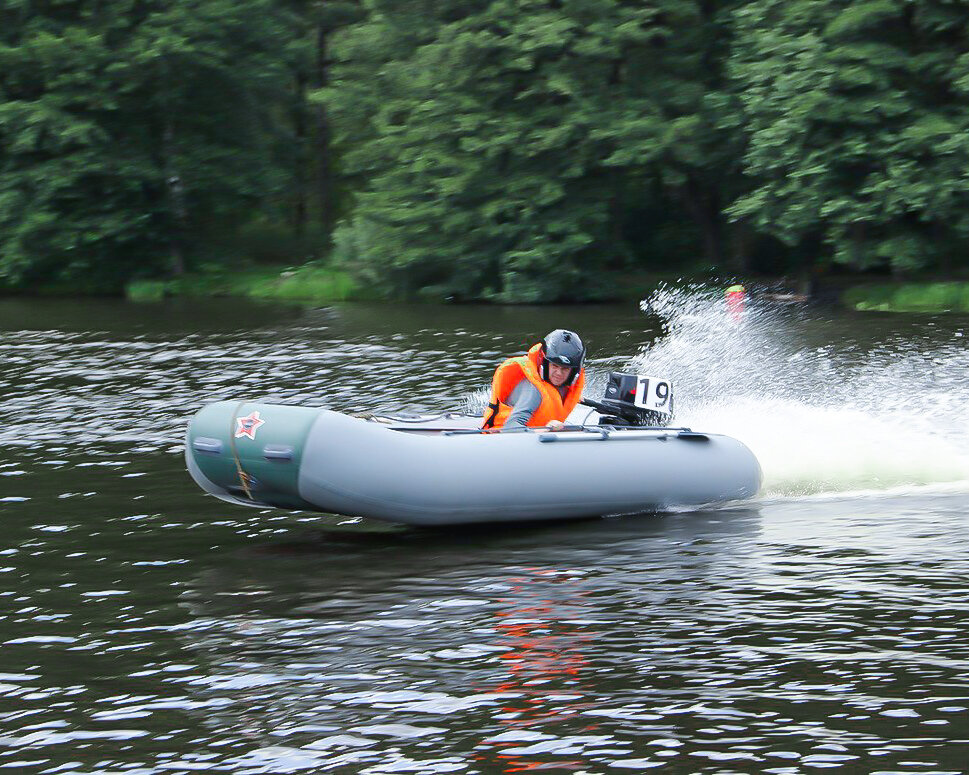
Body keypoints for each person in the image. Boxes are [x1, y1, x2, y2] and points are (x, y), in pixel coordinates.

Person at [482, 329, 586, 430]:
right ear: (545, 363)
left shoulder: (562, 387)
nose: (559, 373)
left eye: (565, 369)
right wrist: (546, 430)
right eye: (554, 366)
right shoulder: (533, 390)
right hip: (502, 436)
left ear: (573, 371)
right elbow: (510, 427)